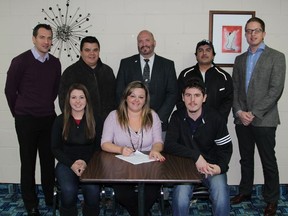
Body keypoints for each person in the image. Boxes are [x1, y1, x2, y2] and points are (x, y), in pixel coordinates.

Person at [230, 17, 286, 216]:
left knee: (268, 160)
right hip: (241, 118)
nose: (252, 34)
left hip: (264, 119)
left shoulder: (277, 57)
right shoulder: (239, 59)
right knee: (245, 159)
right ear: (245, 34)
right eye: (248, 31)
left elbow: (275, 90)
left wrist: (253, 113)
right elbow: (235, 89)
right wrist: (239, 112)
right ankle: (245, 192)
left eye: (256, 30)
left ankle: (271, 200)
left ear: (263, 33)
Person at [4, 24, 61, 215]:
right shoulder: (20, 61)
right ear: (34, 38)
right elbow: (10, 91)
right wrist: (19, 111)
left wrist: (43, 105)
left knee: (48, 160)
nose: (46, 41)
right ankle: (30, 203)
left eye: (49, 38)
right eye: (42, 37)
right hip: (26, 119)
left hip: (48, 118)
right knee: (28, 162)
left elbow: (54, 90)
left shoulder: (55, 63)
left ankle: (50, 196)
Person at [164, 78, 232, 216]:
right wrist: (196, 156)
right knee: (180, 198)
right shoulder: (177, 116)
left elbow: (225, 148)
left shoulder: (216, 118)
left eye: (197, 95)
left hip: (210, 166)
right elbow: (169, 145)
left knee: (221, 195)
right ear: (183, 97)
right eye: (188, 95)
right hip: (185, 168)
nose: (192, 100)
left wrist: (220, 167)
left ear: (204, 98)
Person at [101, 81, 165, 216]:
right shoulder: (114, 116)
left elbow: (159, 141)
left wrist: (155, 149)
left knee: (151, 193)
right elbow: (105, 143)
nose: (136, 100)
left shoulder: (152, 116)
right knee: (123, 195)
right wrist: (120, 149)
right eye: (132, 96)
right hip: (122, 165)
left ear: (145, 100)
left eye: (141, 97)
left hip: (148, 164)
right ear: (125, 97)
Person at [51, 83, 103, 216]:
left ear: (87, 100)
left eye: (81, 97)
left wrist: (85, 162)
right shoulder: (60, 120)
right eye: (73, 97)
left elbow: (98, 147)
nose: (78, 101)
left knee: (92, 192)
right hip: (66, 163)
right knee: (68, 192)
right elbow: (55, 148)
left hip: (90, 163)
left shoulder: (96, 120)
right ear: (68, 100)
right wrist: (72, 164)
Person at [116, 30, 178, 132]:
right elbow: (120, 92)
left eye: (147, 40)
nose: (144, 44)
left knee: (157, 148)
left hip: (160, 123)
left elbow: (172, 93)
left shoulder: (167, 65)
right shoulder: (126, 64)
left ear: (154, 42)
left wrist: (158, 118)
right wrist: (129, 116)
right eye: (140, 41)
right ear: (137, 44)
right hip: (131, 123)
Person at [58, 36, 116, 121]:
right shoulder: (70, 72)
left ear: (99, 51)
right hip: (81, 125)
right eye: (87, 50)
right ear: (81, 52)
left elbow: (115, 99)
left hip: (106, 124)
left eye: (95, 50)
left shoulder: (108, 71)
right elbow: (64, 102)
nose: (92, 53)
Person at [177, 39, 233, 123]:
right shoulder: (185, 75)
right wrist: (189, 117)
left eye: (208, 50)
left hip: (216, 124)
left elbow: (228, 100)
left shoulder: (224, 76)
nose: (204, 53)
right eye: (200, 50)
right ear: (196, 56)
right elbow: (179, 98)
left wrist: (217, 119)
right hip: (190, 123)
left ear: (213, 55)